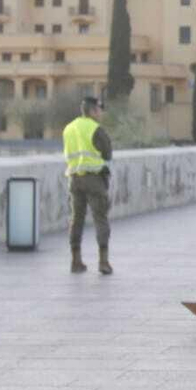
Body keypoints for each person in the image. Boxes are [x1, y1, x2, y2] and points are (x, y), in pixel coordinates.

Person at [62, 95, 113, 275]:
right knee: (100, 218)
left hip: (74, 178)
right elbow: (107, 153)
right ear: (92, 111)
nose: (101, 113)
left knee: (77, 219)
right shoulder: (95, 129)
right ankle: (103, 262)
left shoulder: (69, 128)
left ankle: (76, 261)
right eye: (99, 110)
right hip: (93, 179)